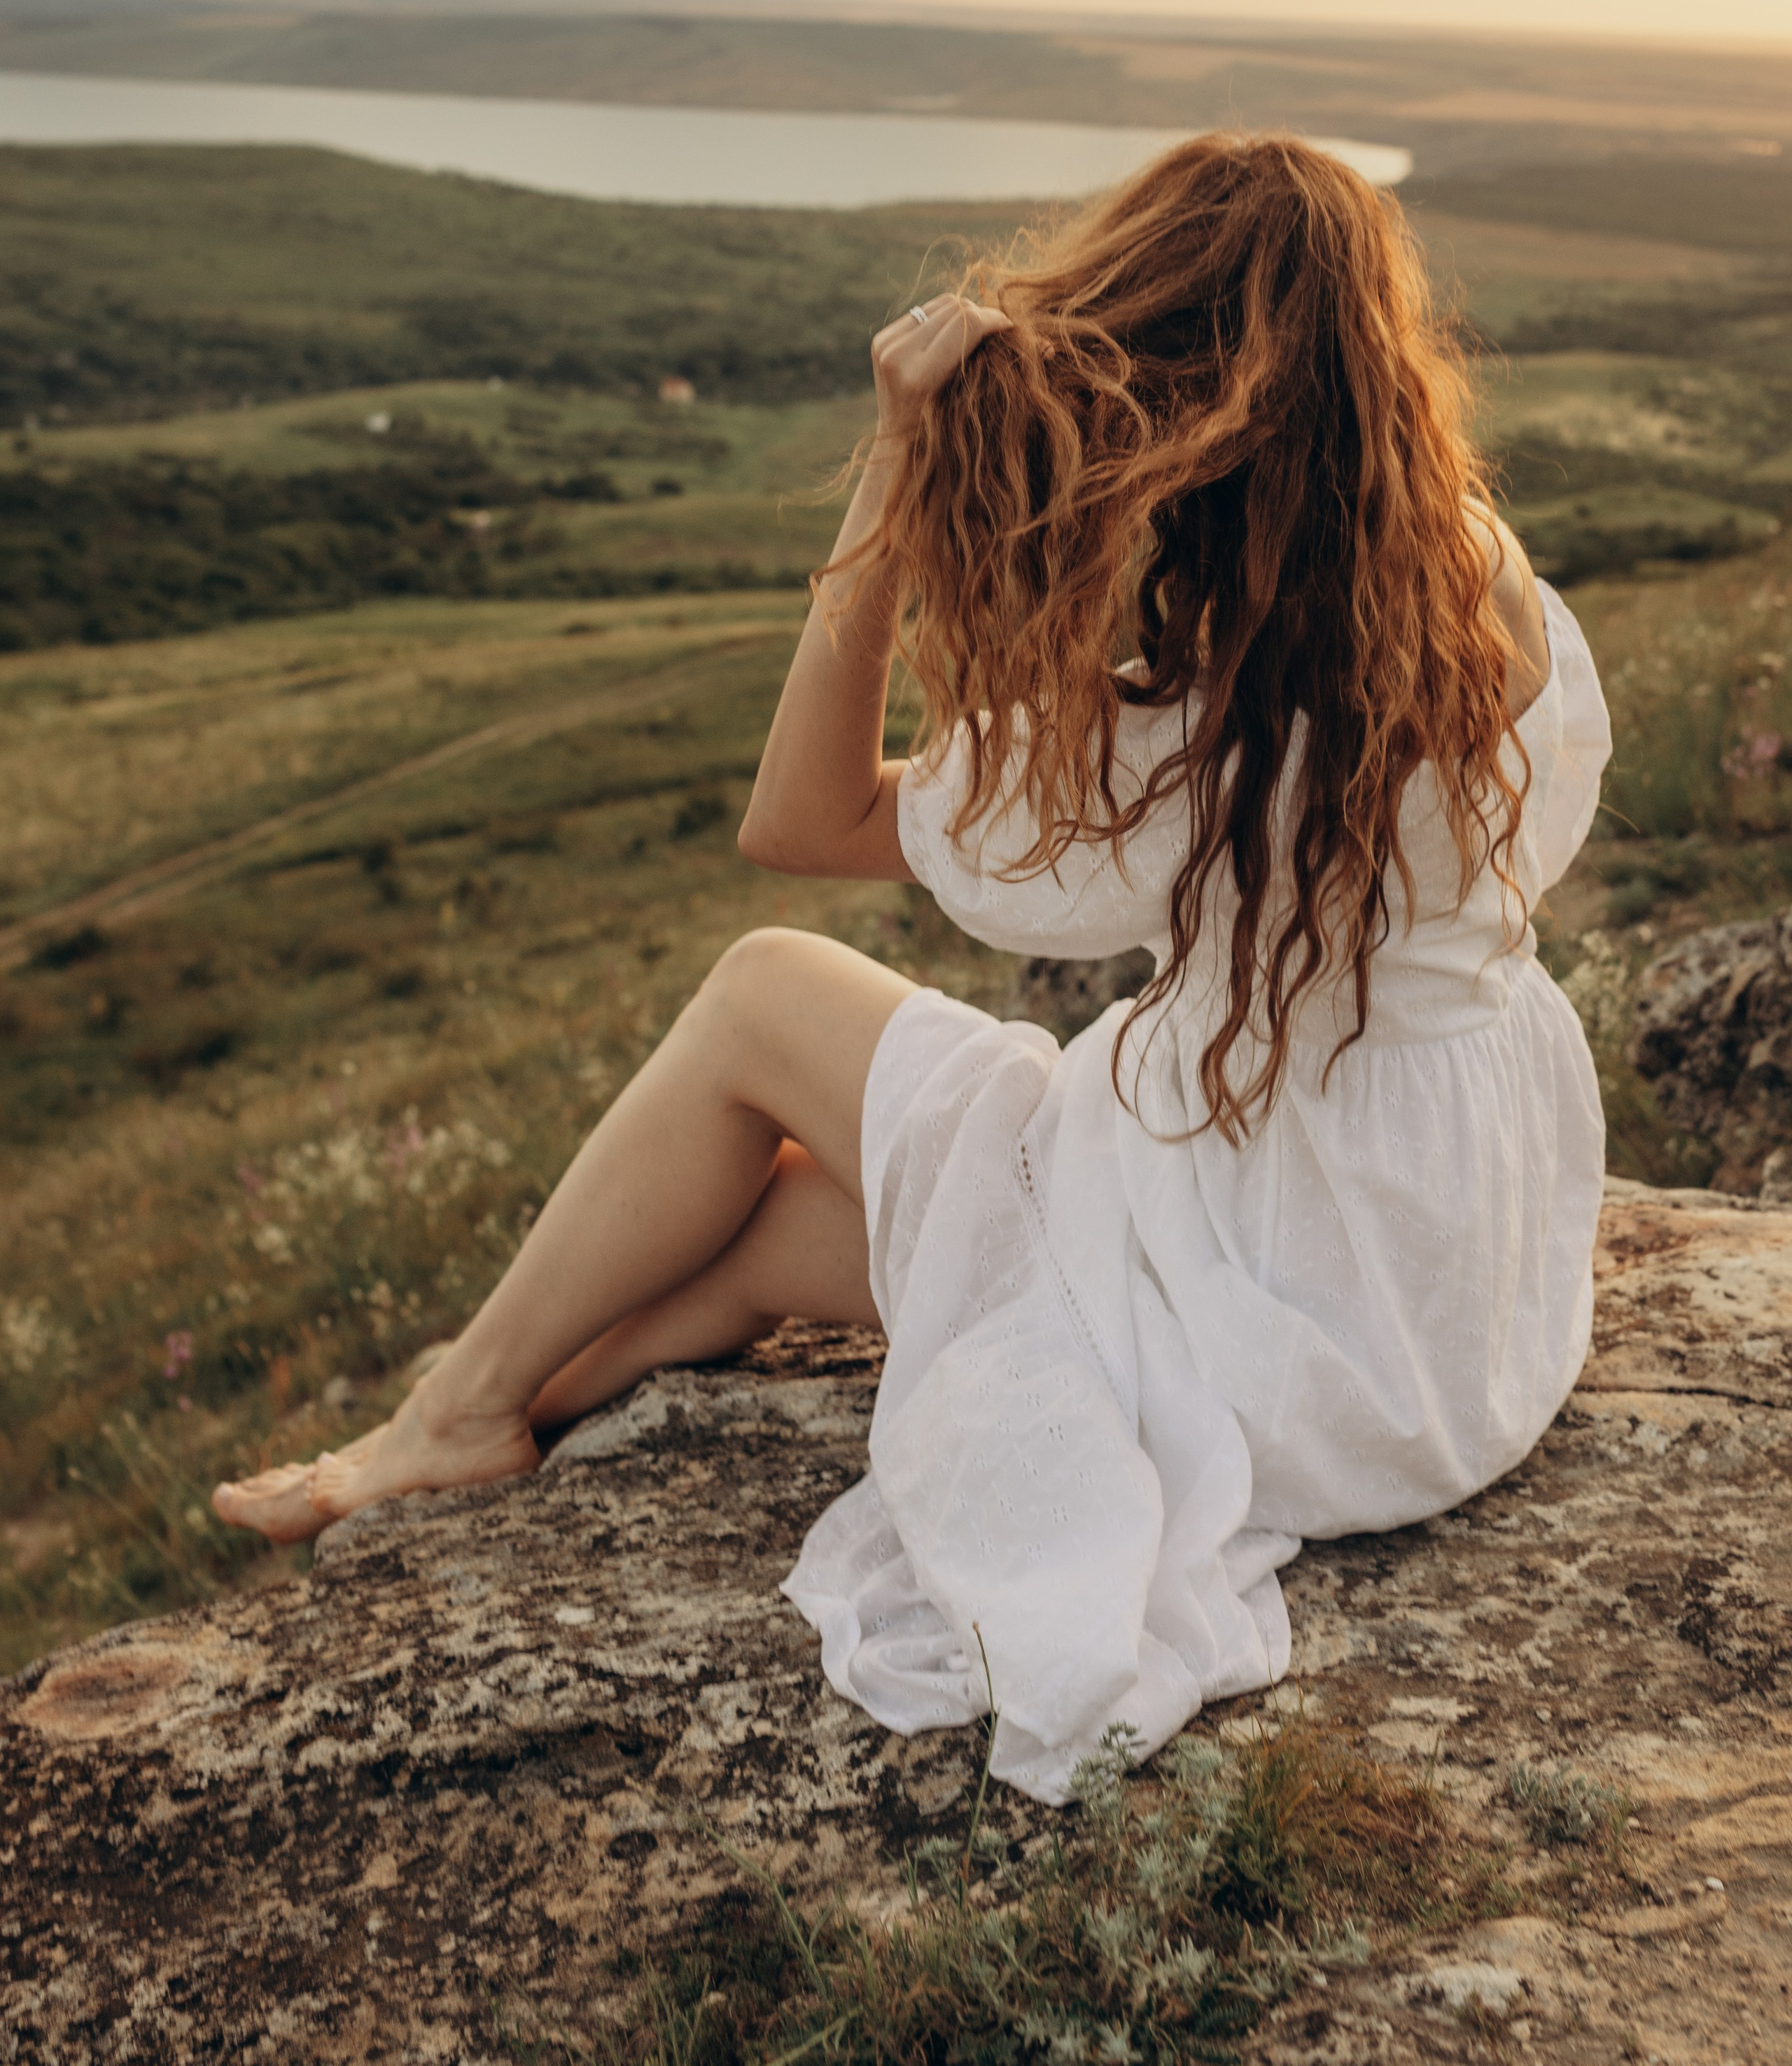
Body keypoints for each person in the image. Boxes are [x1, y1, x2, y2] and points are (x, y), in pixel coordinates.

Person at [214, 134, 1611, 1804]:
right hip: (1434, 1313)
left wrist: (892, 492)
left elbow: (799, 822)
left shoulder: (1207, 739)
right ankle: (476, 1426)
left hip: (1262, 1295)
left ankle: (449, 1404)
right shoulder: (1485, 597)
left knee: (757, 990)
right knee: (780, 1230)